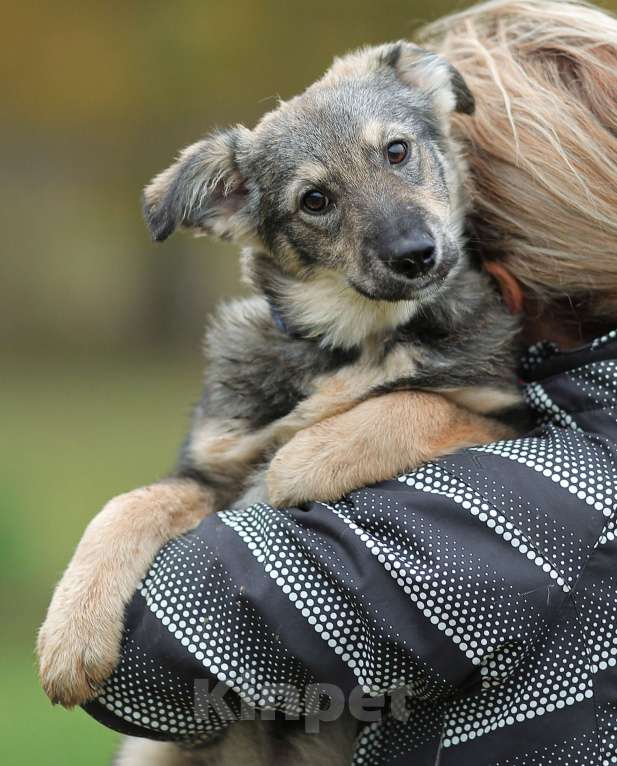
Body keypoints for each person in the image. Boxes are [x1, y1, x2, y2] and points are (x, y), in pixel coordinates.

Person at [84, 1, 617, 763]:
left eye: (399, 154)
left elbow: (150, 658)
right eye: (318, 201)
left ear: (501, 264)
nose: (402, 229)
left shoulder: (551, 486)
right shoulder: (567, 419)